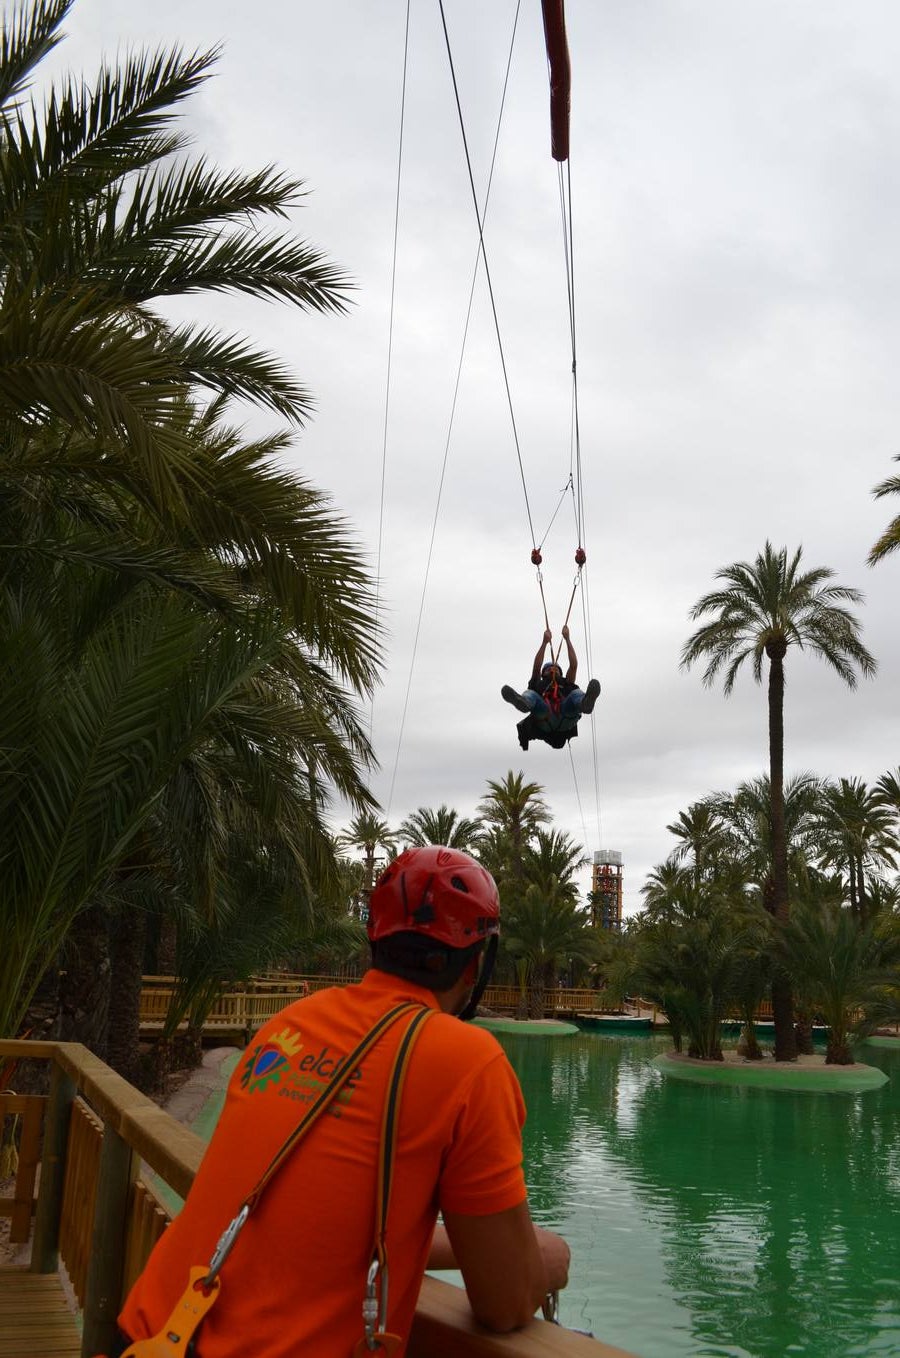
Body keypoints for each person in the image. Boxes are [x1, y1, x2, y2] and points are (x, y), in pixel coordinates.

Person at [116, 846, 570, 1357]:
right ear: (476, 964)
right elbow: (506, 1302)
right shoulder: (468, 1062)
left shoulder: (290, 1024)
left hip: (148, 1334)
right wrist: (543, 1259)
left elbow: (308, 1216)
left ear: (375, 938)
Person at [502, 625, 600, 750]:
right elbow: (537, 667)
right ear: (543, 673)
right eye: (548, 668)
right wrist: (544, 643)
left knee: (576, 693)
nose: (552, 669)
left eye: (555, 668)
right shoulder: (538, 683)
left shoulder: (566, 683)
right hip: (544, 716)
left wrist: (567, 639)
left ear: (560, 673)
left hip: (566, 715)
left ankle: (586, 703)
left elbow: (573, 666)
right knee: (531, 694)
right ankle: (522, 702)